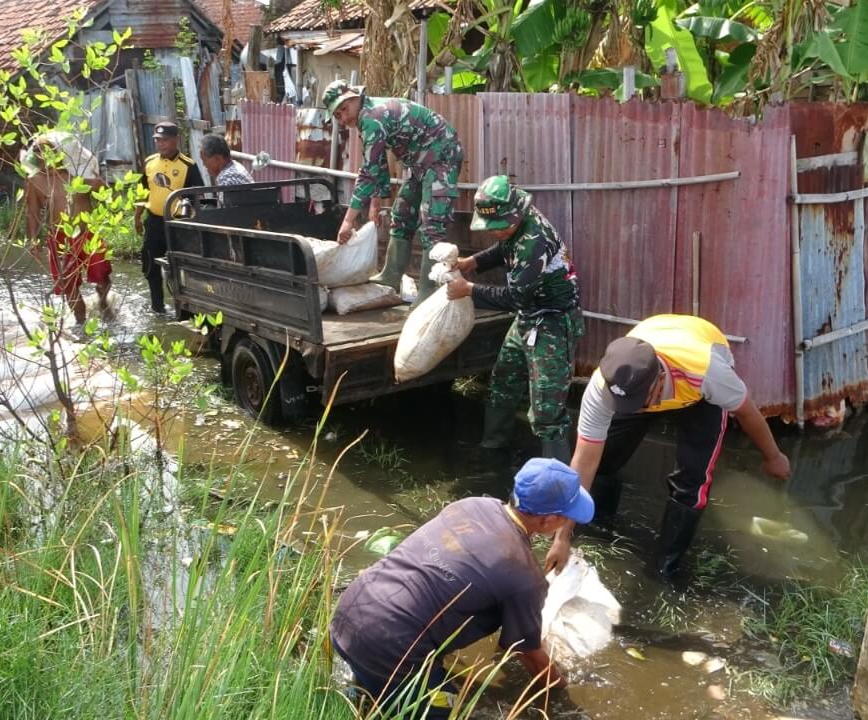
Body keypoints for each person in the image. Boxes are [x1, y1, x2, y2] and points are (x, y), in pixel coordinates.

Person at [330, 457, 592, 718]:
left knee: (374, 693)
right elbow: (525, 651)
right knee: (448, 710)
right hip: (389, 645)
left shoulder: (474, 505)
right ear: (547, 522)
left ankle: (365, 699)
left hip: (351, 610)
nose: (567, 521)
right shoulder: (524, 577)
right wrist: (562, 691)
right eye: (566, 516)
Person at [545, 314, 792, 581]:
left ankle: (666, 567)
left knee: (692, 482)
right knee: (604, 460)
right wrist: (562, 536)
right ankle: (599, 528)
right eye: (626, 405)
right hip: (651, 365)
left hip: (697, 392)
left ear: (660, 380)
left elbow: (748, 413)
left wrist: (773, 456)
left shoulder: (708, 374)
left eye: (640, 403)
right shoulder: (605, 387)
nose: (636, 410)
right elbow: (584, 462)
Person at [446, 175, 583, 463]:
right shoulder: (515, 223)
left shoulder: (535, 241)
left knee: (547, 408)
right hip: (527, 317)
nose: (494, 232)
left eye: (498, 227)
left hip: (553, 322)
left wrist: (469, 290)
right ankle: (492, 451)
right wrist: (474, 262)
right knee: (503, 382)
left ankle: (555, 480)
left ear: (514, 215)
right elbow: (505, 246)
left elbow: (515, 298)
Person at [322, 79, 463, 299]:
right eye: (338, 115)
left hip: (442, 156)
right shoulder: (365, 117)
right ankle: (391, 275)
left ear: (355, 98)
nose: (344, 117)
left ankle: (428, 291)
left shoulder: (372, 118)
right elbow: (378, 164)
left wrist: (348, 221)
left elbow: (367, 172)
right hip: (420, 163)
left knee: (432, 224)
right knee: (402, 213)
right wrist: (375, 205)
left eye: (345, 109)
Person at [24, 131, 112, 325]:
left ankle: (104, 303)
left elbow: (104, 191)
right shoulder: (35, 180)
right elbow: (32, 212)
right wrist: (33, 239)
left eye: (46, 151)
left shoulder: (78, 176)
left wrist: (95, 181)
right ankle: (81, 323)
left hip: (87, 233)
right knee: (67, 284)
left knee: (102, 275)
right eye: (37, 151)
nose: (41, 155)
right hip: (59, 237)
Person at [134, 121, 202, 315]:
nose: (161, 144)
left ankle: (184, 311)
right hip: (154, 221)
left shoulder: (188, 165)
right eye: (158, 140)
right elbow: (142, 192)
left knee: (180, 267)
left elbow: (197, 196)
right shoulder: (149, 163)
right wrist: (137, 217)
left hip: (177, 226)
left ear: (175, 140)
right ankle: (158, 308)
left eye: (165, 140)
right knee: (150, 265)